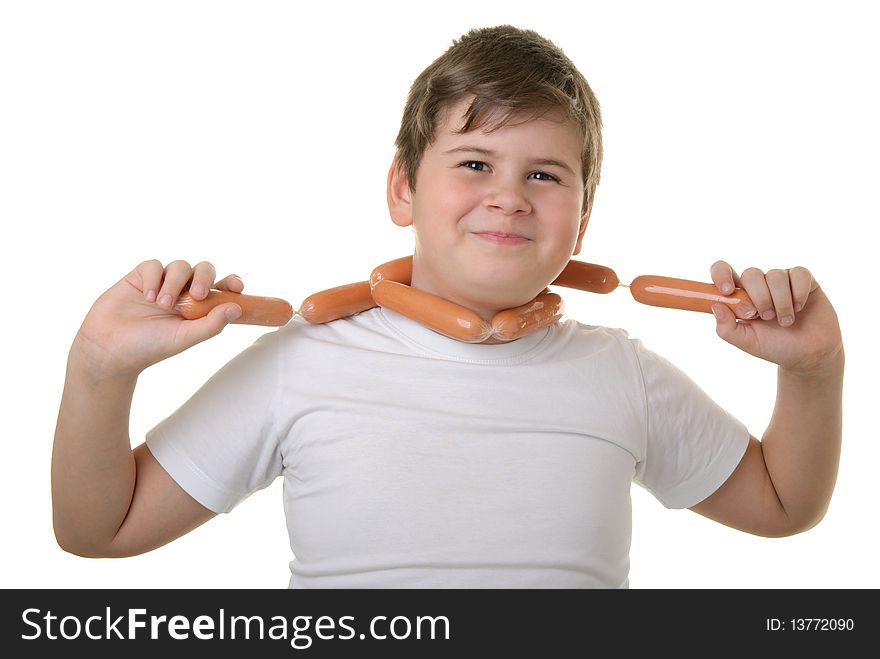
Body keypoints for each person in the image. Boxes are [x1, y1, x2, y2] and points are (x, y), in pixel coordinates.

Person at [52, 25, 844, 588]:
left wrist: (814, 370)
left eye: (545, 174)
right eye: (474, 161)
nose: (507, 197)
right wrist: (99, 369)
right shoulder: (301, 361)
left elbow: (781, 506)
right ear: (403, 187)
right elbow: (99, 529)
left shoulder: (624, 373)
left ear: (584, 217)